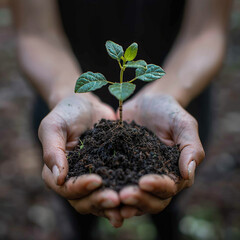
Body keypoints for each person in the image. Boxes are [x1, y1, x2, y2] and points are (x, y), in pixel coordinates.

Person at [10, 0, 232, 239]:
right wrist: (67, 95)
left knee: (169, 189)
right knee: (76, 195)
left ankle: (168, 225)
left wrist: (169, 92)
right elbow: (36, 34)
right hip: (65, 98)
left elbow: (206, 31)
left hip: (174, 98)